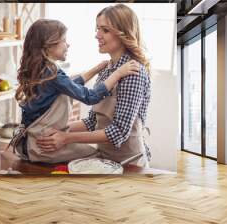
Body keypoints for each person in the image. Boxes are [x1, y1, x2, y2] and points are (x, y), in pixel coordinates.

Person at [11, 19, 140, 164]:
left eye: (104, 30)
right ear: (48, 45)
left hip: (32, 144)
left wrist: (95, 69)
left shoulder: (43, 70)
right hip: (43, 146)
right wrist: (117, 73)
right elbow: (90, 96)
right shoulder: (53, 73)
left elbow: (69, 86)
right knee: (97, 157)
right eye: (64, 41)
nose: (68, 44)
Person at [37, 4, 152, 167]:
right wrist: (58, 130)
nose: (97, 35)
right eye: (97, 29)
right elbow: (93, 121)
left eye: (105, 30)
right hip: (106, 158)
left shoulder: (133, 72)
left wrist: (65, 138)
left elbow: (119, 131)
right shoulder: (107, 70)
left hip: (129, 163)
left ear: (123, 33)